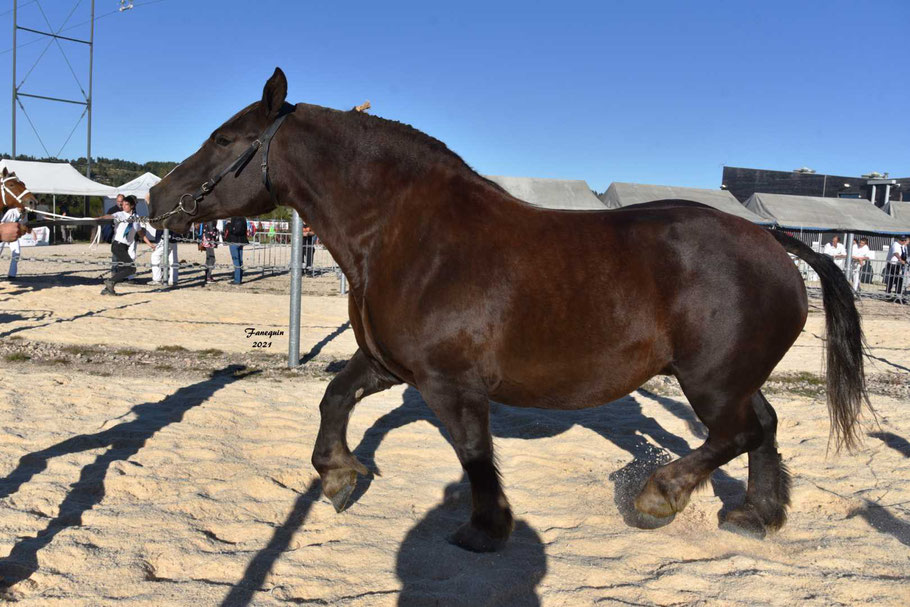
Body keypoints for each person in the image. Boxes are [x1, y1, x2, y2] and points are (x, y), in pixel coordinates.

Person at [97, 196, 154, 295]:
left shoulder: (136, 218)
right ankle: (110, 281)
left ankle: (108, 288)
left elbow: (140, 232)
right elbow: (111, 216)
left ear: (132, 206)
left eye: (126, 204)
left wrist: (150, 244)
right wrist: (100, 218)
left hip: (124, 247)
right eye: (123, 204)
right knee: (131, 268)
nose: (124, 206)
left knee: (125, 268)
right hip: (117, 245)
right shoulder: (120, 214)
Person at [0, 203, 23, 278]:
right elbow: (3, 222)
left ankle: (12, 274)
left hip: (13, 235)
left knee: (17, 252)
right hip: (5, 233)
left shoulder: (24, 213)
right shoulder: (11, 211)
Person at [225, 216, 249, 284]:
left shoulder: (233, 218)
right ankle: (239, 278)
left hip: (233, 241)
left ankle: (237, 280)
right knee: (240, 261)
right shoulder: (243, 218)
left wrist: (228, 224)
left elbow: (230, 230)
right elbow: (245, 230)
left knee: (236, 261)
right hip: (241, 241)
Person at [885, 235, 909, 300]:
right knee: (896, 279)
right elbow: (896, 253)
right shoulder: (895, 244)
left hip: (899, 265)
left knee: (895, 279)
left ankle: (895, 294)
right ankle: (892, 294)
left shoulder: (903, 246)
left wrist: (905, 261)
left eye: (904, 240)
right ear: (899, 240)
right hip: (893, 264)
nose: (903, 241)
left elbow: (904, 254)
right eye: (902, 240)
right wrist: (900, 260)